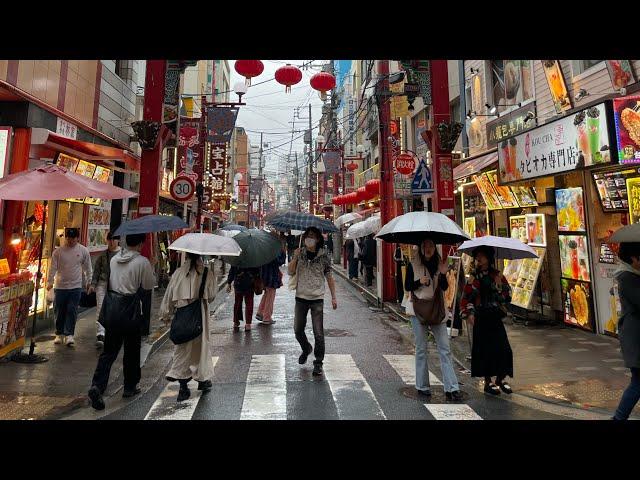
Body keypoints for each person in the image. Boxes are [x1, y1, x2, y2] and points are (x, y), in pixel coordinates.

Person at [88, 234, 156, 410]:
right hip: (130, 308)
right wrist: (152, 266)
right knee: (132, 350)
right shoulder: (142, 262)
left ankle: (97, 385)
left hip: (112, 308)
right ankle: (129, 386)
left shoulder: (115, 259)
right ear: (140, 244)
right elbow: (148, 285)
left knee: (108, 352)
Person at [404, 237, 462, 401]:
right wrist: (418, 282)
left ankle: (452, 387)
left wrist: (443, 274)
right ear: (421, 248)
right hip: (418, 310)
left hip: (437, 310)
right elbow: (407, 286)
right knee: (421, 349)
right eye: (425, 246)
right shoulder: (413, 264)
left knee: (445, 348)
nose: (428, 248)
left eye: (431, 245)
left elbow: (444, 287)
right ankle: (422, 386)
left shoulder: (439, 263)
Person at [159, 252, 218, 402]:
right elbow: (211, 296)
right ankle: (203, 381)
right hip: (200, 317)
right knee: (201, 350)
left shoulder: (178, 273)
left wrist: (166, 315)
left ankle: (183, 387)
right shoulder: (206, 272)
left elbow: (169, 297)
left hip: (182, 317)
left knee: (182, 351)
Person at [460, 245, 513, 396]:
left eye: (482, 256)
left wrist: (499, 288)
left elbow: (507, 296)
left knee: (504, 349)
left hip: (495, 316)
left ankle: (501, 378)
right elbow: (465, 298)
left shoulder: (497, 275)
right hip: (481, 317)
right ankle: (488, 381)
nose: (479, 259)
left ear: (489, 258)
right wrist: (469, 314)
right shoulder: (474, 277)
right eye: (477, 256)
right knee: (485, 351)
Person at [288, 227, 337, 376]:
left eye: (313, 236)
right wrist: (295, 258)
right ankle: (306, 348)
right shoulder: (300, 253)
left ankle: (318, 363)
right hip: (301, 297)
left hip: (317, 298)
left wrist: (334, 297)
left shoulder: (324, 256)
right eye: (308, 236)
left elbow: (329, 276)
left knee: (318, 333)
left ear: (317, 239)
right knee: (298, 330)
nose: (310, 238)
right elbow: (290, 271)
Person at [47, 227, 92, 347]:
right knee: (59, 310)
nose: (71, 240)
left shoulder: (83, 251)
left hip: (75, 287)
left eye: (73, 238)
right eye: (68, 238)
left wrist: (89, 281)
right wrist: (49, 281)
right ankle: (59, 333)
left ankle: (69, 335)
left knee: (72, 310)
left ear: (77, 238)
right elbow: (53, 268)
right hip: (60, 287)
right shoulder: (58, 252)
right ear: (66, 237)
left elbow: (88, 267)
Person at [612, 242, 640, 420]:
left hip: (635, 336)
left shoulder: (632, 275)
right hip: (636, 338)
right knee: (638, 382)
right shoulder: (627, 277)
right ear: (634, 259)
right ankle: (618, 418)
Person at [88, 231, 120, 348]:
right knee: (100, 308)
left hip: (116, 285)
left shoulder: (122, 255)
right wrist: (93, 284)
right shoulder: (103, 255)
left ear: (118, 240)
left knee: (114, 309)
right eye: (109, 240)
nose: (111, 242)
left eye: (114, 239)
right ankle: (100, 334)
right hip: (102, 283)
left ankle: (111, 331)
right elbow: (97, 271)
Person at [256, 247, 286, 325]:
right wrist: (283, 252)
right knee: (270, 297)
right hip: (271, 277)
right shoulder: (273, 251)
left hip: (264, 276)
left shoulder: (263, 249)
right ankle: (267, 317)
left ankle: (260, 313)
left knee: (266, 295)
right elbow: (280, 261)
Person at [227, 265, 260, 331]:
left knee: (237, 303)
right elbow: (257, 271)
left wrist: (229, 282)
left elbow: (232, 270)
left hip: (238, 282)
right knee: (249, 303)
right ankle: (248, 324)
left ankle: (236, 322)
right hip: (249, 282)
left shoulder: (236, 258)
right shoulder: (253, 258)